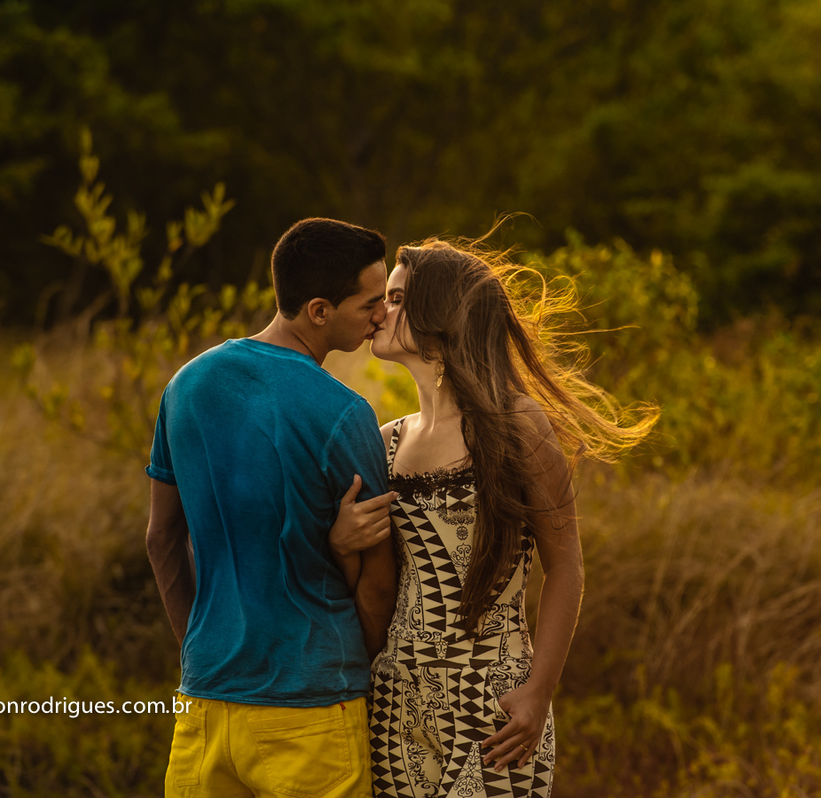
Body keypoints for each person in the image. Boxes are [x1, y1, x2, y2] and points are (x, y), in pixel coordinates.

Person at [361, 238, 656, 798]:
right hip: (396, 706)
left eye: (397, 299)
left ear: (438, 316)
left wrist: (539, 691)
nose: (381, 311)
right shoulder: (384, 442)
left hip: (493, 706)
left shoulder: (516, 423)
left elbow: (566, 565)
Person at [145, 217, 400, 798]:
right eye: (369, 304)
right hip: (311, 710)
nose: (381, 316)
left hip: (206, 707)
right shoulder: (345, 413)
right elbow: (379, 582)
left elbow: (161, 540)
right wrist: (345, 664)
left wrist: (201, 652)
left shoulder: (186, 386)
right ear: (317, 310)